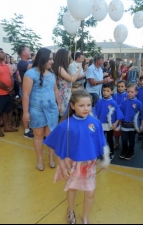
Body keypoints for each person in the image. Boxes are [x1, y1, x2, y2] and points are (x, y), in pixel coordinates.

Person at [43, 89, 108, 224]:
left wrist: (103, 159)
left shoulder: (95, 123)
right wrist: (61, 165)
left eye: (89, 105)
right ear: (72, 106)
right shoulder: (65, 125)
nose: (86, 108)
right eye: (81, 105)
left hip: (89, 165)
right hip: (72, 164)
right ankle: (71, 210)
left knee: (90, 192)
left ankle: (85, 217)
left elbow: (100, 142)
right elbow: (59, 146)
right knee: (72, 188)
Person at [22, 48, 60, 171]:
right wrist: (26, 112)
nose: (52, 61)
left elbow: (55, 90)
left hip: (51, 108)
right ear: (42, 59)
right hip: (36, 109)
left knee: (50, 134)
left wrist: (59, 104)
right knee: (38, 135)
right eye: (50, 59)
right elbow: (26, 95)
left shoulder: (52, 74)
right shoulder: (30, 74)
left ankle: (51, 157)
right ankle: (39, 158)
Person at [0, 48, 18, 137]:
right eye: (1, 52)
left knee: (6, 111)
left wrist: (11, 87)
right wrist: (8, 89)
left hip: (7, 93)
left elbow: (11, 77)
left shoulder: (5, 65)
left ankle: (7, 127)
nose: (4, 54)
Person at [94, 82, 124, 160]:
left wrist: (116, 123)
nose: (105, 92)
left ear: (112, 92)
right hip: (101, 124)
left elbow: (119, 115)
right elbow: (95, 113)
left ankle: (111, 153)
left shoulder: (113, 102)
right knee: (100, 138)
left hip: (110, 125)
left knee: (110, 139)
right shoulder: (99, 101)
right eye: (104, 90)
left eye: (107, 91)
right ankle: (99, 153)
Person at [52, 49, 82, 123]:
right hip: (62, 95)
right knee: (63, 117)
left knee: (64, 116)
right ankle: (60, 133)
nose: (70, 59)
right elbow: (72, 79)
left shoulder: (61, 67)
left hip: (65, 94)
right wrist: (79, 70)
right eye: (68, 57)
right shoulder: (60, 68)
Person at [119, 83, 143, 160]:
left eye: (132, 92)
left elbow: (142, 115)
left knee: (131, 140)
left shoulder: (139, 103)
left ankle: (131, 151)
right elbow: (119, 112)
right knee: (124, 139)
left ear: (136, 92)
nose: (129, 93)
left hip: (133, 126)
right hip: (124, 125)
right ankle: (124, 150)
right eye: (128, 92)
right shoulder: (123, 102)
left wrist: (141, 125)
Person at [17, 45, 34, 139]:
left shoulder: (28, 62)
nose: (30, 52)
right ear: (23, 53)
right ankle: (26, 131)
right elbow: (33, 66)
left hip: (31, 89)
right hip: (25, 90)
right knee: (26, 110)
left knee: (31, 110)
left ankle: (31, 128)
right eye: (29, 50)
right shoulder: (21, 63)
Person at [112, 80, 127, 149]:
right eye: (118, 87)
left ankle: (125, 144)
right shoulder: (114, 95)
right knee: (116, 131)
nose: (120, 88)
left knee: (124, 131)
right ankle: (117, 143)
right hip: (117, 116)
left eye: (122, 86)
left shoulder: (127, 95)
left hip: (125, 115)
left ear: (125, 87)